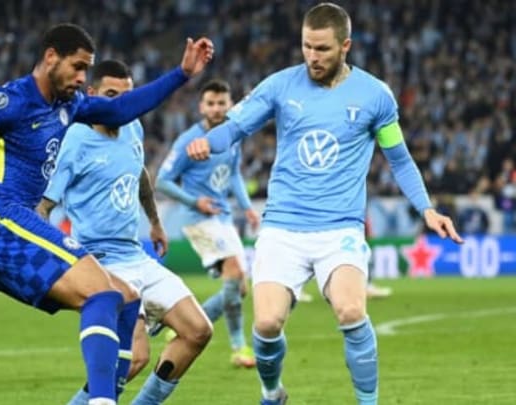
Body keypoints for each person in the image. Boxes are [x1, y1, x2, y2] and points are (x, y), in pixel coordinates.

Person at [0, 24, 213, 405]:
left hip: (11, 226)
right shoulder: (14, 100)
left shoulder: (68, 106)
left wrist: (182, 75)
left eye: (86, 70)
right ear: (51, 57)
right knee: (103, 294)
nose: (80, 78)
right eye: (77, 67)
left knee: (124, 298)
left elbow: (121, 108)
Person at [185, 3, 463, 404]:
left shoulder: (375, 96)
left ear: (345, 46)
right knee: (265, 323)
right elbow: (235, 128)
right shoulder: (281, 86)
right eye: (306, 47)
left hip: (340, 229)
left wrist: (427, 209)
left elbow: (398, 158)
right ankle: (271, 392)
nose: (312, 57)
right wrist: (205, 143)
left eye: (322, 49)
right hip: (282, 227)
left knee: (352, 311)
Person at [38, 59, 213, 405]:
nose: (120, 105)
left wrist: (155, 221)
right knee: (134, 358)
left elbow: (140, 174)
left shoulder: (132, 127)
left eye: (126, 97)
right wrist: (54, 262)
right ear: (91, 95)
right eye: (111, 96)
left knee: (198, 331)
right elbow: (43, 207)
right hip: (102, 264)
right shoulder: (74, 139)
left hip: (135, 253)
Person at [155, 79, 259, 368]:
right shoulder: (189, 140)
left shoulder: (232, 135)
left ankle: (183, 323)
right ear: (201, 107)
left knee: (239, 288)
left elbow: (234, 173)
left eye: (221, 103)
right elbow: (162, 181)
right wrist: (194, 201)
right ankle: (239, 348)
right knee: (235, 271)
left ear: (229, 105)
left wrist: (248, 208)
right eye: (210, 103)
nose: (216, 108)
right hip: (197, 219)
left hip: (223, 217)